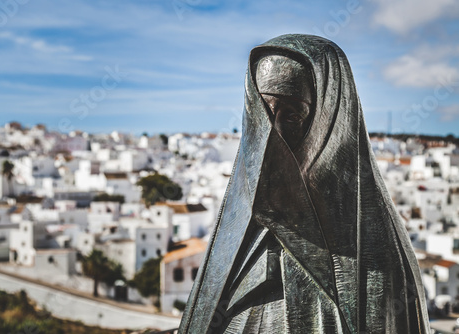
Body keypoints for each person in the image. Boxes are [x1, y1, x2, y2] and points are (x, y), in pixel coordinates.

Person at [179, 34, 430, 333]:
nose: (274, 134)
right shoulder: (236, 236)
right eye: (265, 113)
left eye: (293, 115)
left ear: (330, 121)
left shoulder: (380, 265)